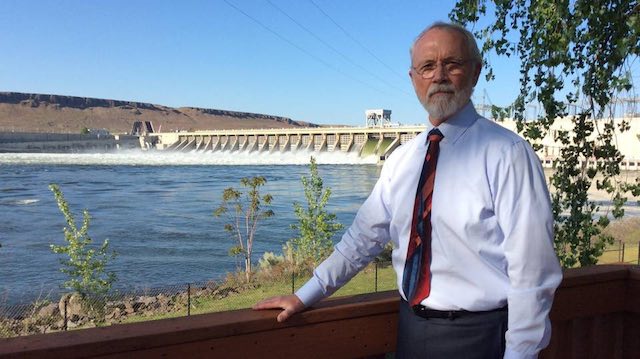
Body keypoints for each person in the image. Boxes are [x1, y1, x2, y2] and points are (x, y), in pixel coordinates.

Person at [254, 21, 562, 359]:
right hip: (411, 329)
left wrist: (520, 354)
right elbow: (361, 241)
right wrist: (306, 294)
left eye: (453, 64)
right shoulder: (401, 159)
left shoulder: (508, 155)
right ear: (414, 79)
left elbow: (533, 269)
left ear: (475, 73)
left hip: (482, 335)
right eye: (427, 67)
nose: (439, 75)